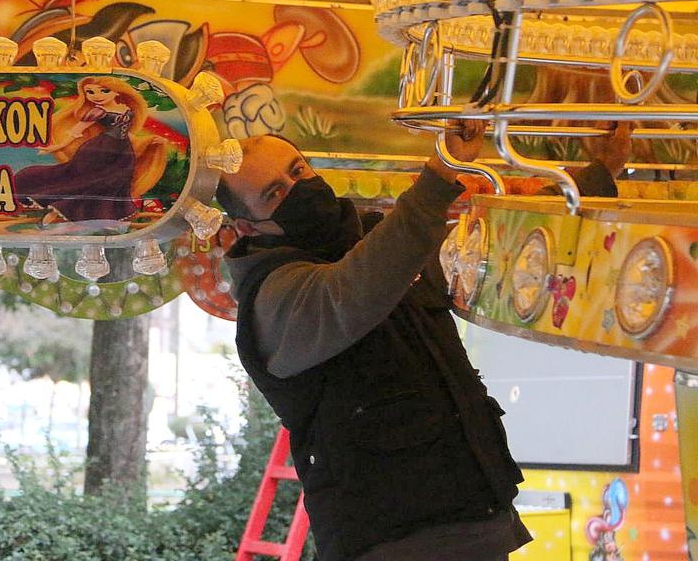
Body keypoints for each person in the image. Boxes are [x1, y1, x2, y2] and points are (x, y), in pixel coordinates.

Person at [215, 120, 629, 561]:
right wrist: (439, 175)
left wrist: (597, 174)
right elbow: (357, 287)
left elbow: (487, 245)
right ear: (248, 227)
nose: (298, 188)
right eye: (274, 193)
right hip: (395, 541)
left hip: (476, 516)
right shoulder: (274, 299)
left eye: (298, 171)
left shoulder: (383, 243)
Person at [14, 76, 166, 222]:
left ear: (116, 91)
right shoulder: (97, 112)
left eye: (103, 91)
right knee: (87, 182)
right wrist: (59, 146)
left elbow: (127, 134)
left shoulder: (126, 109)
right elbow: (76, 131)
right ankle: (55, 211)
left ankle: (102, 216)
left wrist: (150, 140)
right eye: (90, 92)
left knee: (117, 182)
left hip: (123, 152)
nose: (96, 96)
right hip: (99, 151)